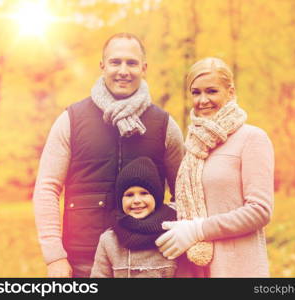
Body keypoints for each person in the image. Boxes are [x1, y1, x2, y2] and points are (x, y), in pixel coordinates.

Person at [32, 33, 184, 278]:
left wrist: (173, 235)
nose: (123, 70)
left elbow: (186, 194)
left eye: (132, 63)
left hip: (148, 262)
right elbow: (47, 188)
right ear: (102, 66)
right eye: (115, 62)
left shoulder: (165, 125)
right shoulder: (71, 120)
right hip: (82, 261)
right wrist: (55, 257)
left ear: (144, 68)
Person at [156, 57, 275, 277]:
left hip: (237, 268)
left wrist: (198, 229)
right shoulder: (193, 145)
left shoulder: (252, 138)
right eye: (196, 92)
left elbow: (260, 211)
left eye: (211, 91)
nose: (202, 100)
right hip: (195, 268)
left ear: (230, 92)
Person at [90, 156, 177, 277]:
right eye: (129, 195)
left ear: (156, 197)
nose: (136, 200)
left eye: (144, 193)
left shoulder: (173, 234)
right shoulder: (109, 240)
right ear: (120, 200)